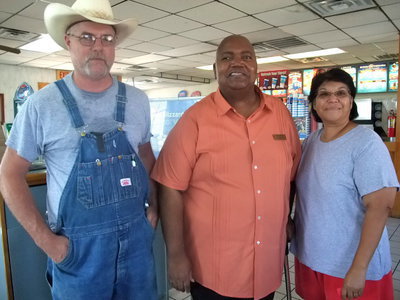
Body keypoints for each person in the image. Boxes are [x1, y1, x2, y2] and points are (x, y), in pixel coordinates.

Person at [0, 0, 158, 298]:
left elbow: (147, 157)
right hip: (79, 254)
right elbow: (8, 174)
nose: (98, 46)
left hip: (138, 247)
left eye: (107, 38)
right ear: (68, 42)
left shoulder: (138, 101)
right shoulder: (41, 105)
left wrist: (154, 211)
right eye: (87, 37)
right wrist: (48, 242)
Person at [151, 34, 301, 300]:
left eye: (246, 57)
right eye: (226, 57)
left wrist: (286, 218)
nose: (237, 63)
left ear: (256, 67)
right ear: (215, 69)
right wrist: (175, 255)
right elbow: (170, 187)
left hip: (267, 265)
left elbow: (288, 177)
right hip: (214, 272)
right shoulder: (194, 120)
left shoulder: (280, 114)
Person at [290, 68, 399, 300]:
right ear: (314, 104)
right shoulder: (311, 142)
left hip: (350, 265)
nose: (332, 98)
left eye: (341, 92)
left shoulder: (366, 143)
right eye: (323, 94)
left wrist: (359, 268)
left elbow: (380, 207)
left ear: (351, 102)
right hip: (312, 257)